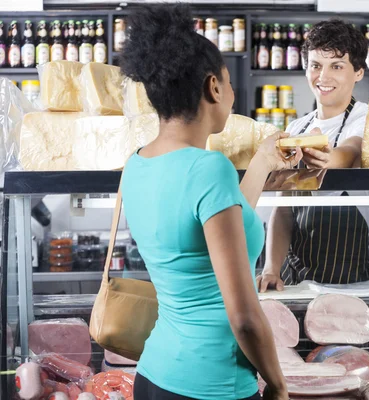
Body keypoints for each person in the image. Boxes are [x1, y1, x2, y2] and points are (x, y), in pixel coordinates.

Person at [119, 5, 300, 400]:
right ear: (213, 87)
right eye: (229, 83)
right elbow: (245, 318)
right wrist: (278, 383)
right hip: (210, 385)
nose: (232, 94)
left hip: (153, 376)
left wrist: (263, 164)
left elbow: (218, 232)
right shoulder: (209, 168)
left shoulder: (136, 162)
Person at [257, 19, 369, 291]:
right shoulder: (297, 128)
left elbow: (351, 150)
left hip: (345, 274)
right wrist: (272, 269)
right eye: (316, 65)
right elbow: (283, 210)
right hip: (292, 273)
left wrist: (327, 159)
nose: (323, 77)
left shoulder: (367, 117)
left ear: (358, 72)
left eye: (336, 66)